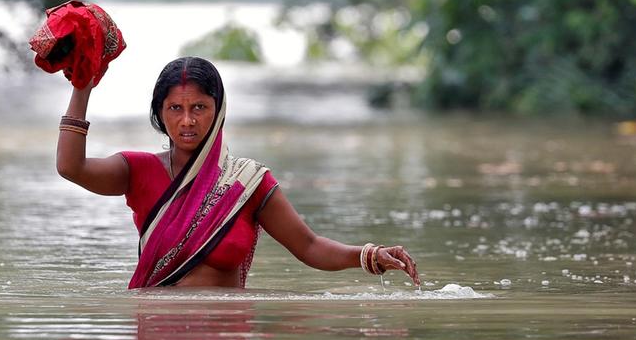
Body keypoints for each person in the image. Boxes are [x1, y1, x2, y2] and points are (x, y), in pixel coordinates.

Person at [56, 56, 420, 289]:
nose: (187, 120)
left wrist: (368, 255)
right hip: (157, 332)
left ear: (219, 109)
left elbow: (309, 246)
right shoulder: (137, 170)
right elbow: (71, 167)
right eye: (175, 108)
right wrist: (82, 88)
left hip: (225, 337)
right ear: (159, 113)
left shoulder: (248, 182)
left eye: (199, 106)